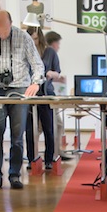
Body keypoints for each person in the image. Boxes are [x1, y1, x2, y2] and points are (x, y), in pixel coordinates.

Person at [0, 10, 44, 190]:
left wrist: (36, 83)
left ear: (11, 23)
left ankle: (14, 174)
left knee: (17, 136)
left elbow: (37, 64)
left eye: (5, 29)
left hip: (19, 88)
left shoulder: (23, 37)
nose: (1, 33)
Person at [25, 26, 55, 170]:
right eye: (30, 38)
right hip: (29, 96)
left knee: (48, 129)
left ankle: (49, 159)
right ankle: (31, 158)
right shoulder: (24, 52)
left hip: (46, 94)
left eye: (35, 38)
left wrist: (49, 73)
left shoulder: (49, 52)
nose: (33, 41)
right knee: (30, 130)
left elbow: (58, 72)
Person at [44, 31, 71, 161]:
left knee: (47, 126)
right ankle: (55, 152)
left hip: (46, 93)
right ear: (53, 42)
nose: (59, 46)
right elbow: (49, 73)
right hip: (45, 96)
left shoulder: (47, 53)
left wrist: (55, 77)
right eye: (58, 43)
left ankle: (52, 152)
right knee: (56, 124)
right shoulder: (50, 53)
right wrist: (55, 75)